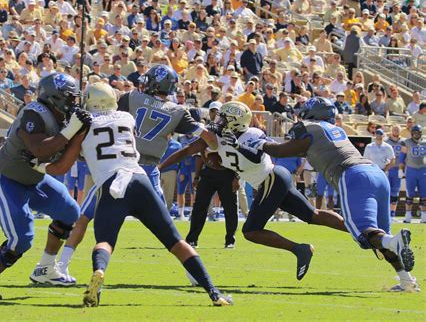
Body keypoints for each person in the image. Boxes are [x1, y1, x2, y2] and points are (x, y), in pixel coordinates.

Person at [28, 82, 232, 307]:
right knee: (175, 241)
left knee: (105, 241)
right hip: (139, 179)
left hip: (112, 185)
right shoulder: (127, 118)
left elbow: (62, 166)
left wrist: (40, 166)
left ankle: (99, 271)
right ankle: (214, 293)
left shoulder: (83, 126)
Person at [54, 65, 218, 282]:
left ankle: (62, 265)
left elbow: (105, 111)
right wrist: (213, 148)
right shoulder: (177, 111)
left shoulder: (132, 98)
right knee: (168, 231)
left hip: (119, 165)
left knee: (84, 218)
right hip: (147, 173)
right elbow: (207, 136)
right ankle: (193, 274)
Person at [160, 101, 347, 281]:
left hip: (272, 178)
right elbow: (186, 151)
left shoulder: (251, 133)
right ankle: (363, 231)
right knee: (312, 215)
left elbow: (257, 157)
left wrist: (237, 146)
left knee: (251, 230)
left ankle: (300, 249)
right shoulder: (215, 138)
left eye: (223, 118)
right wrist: (160, 167)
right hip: (270, 181)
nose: (218, 121)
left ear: (234, 121)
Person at [258, 97, 418, 291]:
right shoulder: (336, 130)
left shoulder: (309, 127)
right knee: (379, 239)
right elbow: (308, 150)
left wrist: (260, 144)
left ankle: (395, 243)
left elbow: (283, 150)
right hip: (376, 174)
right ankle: (407, 281)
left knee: (362, 233)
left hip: (353, 175)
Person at [0, 73, 92, 301]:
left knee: (70, 213)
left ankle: (45, 269)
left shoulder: (67, 117)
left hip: (35, 178)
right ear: (54, 96)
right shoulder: (34, 113)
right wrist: (69, 132)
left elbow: (64, 160)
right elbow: (40, 150)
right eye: (69, 97)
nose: (74, 102)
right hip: (7, 180)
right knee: (21, 238)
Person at [178, 101, 239, 248]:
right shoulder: (205, 131)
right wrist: (197, 176)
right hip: (209, 173)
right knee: (200, 206)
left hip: (227, 172)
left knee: (230, 208)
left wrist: (237, 177)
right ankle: (192, 239)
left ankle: (230, 239)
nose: (214, 114)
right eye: (212, 111)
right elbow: (200, 156)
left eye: (217, 112)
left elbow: (238, 156)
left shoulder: (231, 131)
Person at [399, 125, 425, 224]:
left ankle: (424, 216)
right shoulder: (407, 142)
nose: (416, 134)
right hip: (411, 170)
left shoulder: (424, 142)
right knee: (410, 195)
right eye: (415, 133)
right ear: (412, 133)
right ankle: (408, 216)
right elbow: (402, 157)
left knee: (424, 196)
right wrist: (400, 170)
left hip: (423, 171)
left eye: (418, 133)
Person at [385, 125, 404, 218]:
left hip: (398, 169)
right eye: (394, 129)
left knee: (395, 192)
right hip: (388, 168)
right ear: (391, 130)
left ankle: (392, 214)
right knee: (386, 191)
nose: (396, 131)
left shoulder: (403, 142)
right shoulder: (386, 142)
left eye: (397, 129)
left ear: (400, 131)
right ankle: (386, 213)